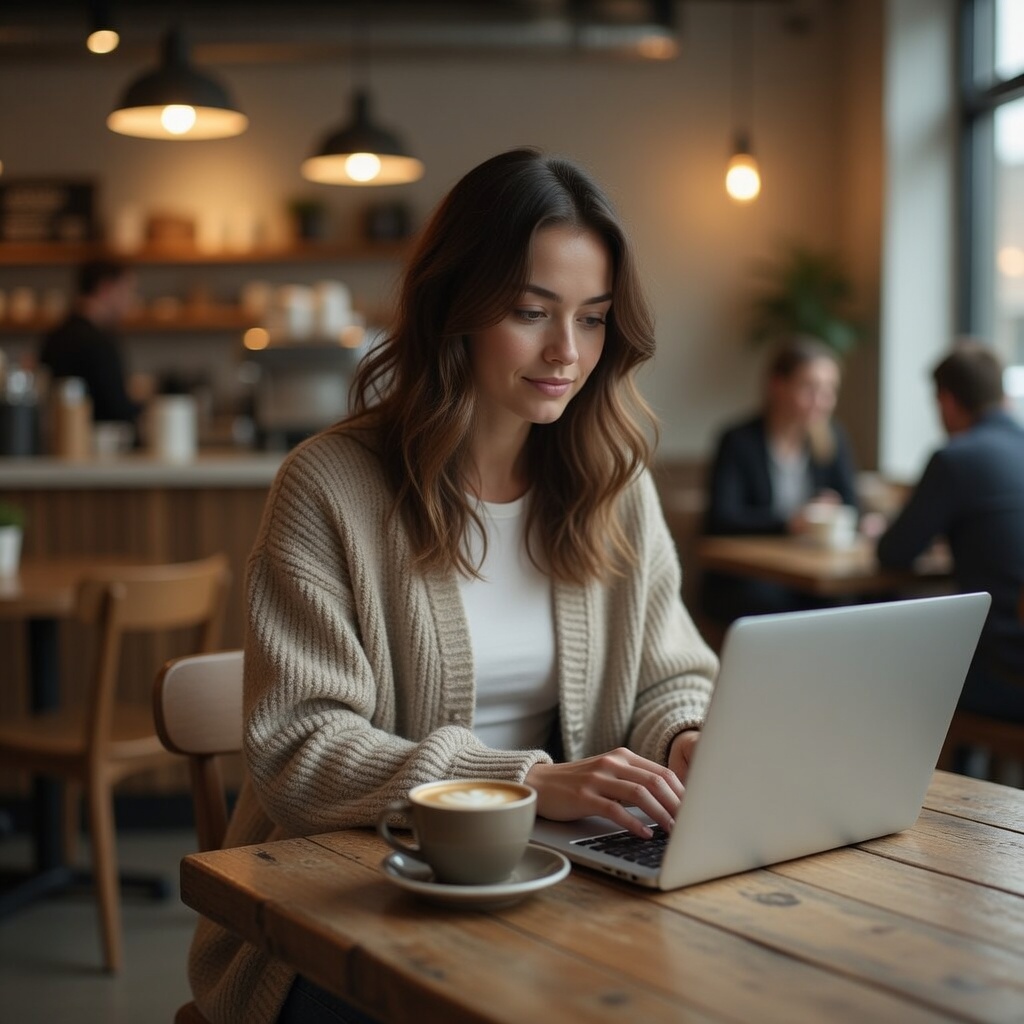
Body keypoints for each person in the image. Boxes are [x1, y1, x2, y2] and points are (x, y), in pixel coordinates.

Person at [188, 148, 719, 1024]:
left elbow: (672, 675)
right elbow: (299, 749)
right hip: (344, 908)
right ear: (454, 308)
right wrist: (524, 782)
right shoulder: (330, 487)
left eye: (592, 319)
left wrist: (683, 737)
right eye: (530, 312)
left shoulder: (613, 485)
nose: (567, 351)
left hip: (555, 892)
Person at [876, 341, 1024, 723]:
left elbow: (893, 553)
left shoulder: (955, 459)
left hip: (1006, 673)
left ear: (947, 401)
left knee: (890, 659)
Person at [700, 337, 859, 623]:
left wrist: (836, 507)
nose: (822, 401)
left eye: (829, 390)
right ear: (778, 385)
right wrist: (790, 523)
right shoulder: (738, 441)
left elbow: (852, 504)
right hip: (747, 575)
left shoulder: (832, 438)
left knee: (852, 601)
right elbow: (722, 519)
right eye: (809, 388)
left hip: (809, 568)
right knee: (776, 604)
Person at [38, 258, 141, 429]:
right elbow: (117, 409)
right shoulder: (99, 342)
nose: (130, 302)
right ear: (106, 289)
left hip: (56, 437)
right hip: (98, 441)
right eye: (127, 291)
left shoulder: (54, 336)